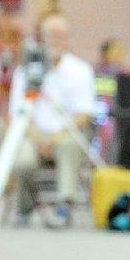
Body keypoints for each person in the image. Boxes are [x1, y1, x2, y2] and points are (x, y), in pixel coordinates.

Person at [8, 14, 96, 228]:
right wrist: (38, 139)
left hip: (66, 134)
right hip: (33, 134)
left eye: (60, 36)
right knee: (23, 159)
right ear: (42, 38)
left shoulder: (81, 70)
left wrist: (56, 138)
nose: (55, 40)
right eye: (50, 35)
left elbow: (83, 115)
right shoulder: (24, 72)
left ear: (68, 39)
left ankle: (64, 205)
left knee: (69, 146)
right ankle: (24, 208)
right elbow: (18, 113)